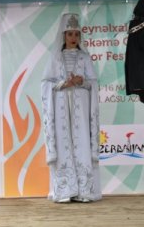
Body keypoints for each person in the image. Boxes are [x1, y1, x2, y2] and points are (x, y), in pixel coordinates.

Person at [41, 13, 102, 203]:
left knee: (82, 141)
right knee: (63, 143)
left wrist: (81, 81)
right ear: (63, 36)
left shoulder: (85, 58)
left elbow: (93, 83)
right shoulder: (56, 57)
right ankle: (66, 190)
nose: (73, 38)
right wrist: (62, 84)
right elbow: (45, 84)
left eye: (76, 34)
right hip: (60, 109)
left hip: (80, 109)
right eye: (70, 34)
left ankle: (84, 190)